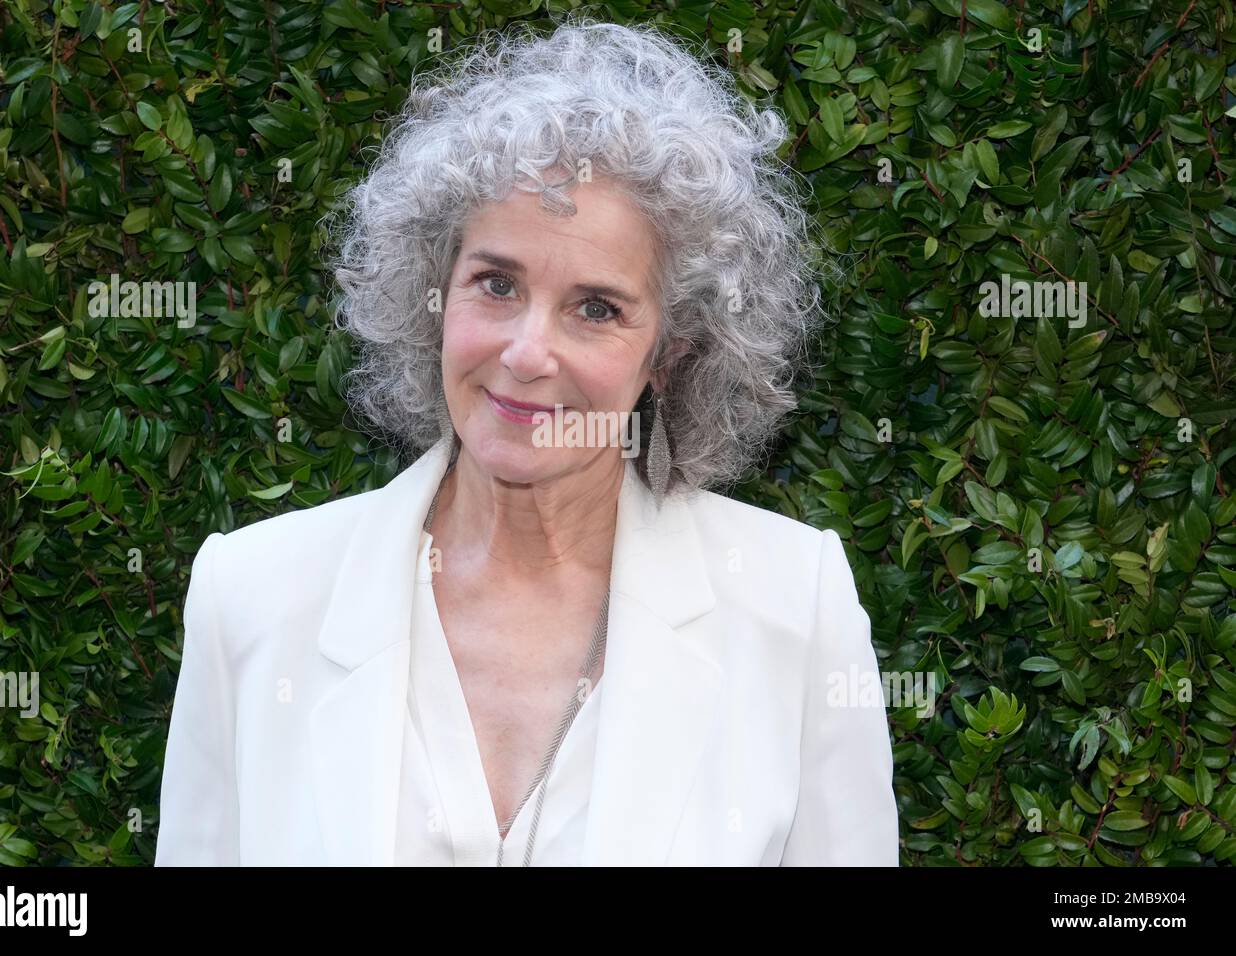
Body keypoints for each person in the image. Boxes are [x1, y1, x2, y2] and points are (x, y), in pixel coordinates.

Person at [154, 16, 898, 866]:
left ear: (670, 354)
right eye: (496, 284)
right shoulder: (249, 598)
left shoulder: (793, 607)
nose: (526, 353)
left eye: (596, 309)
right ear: (433, 291)